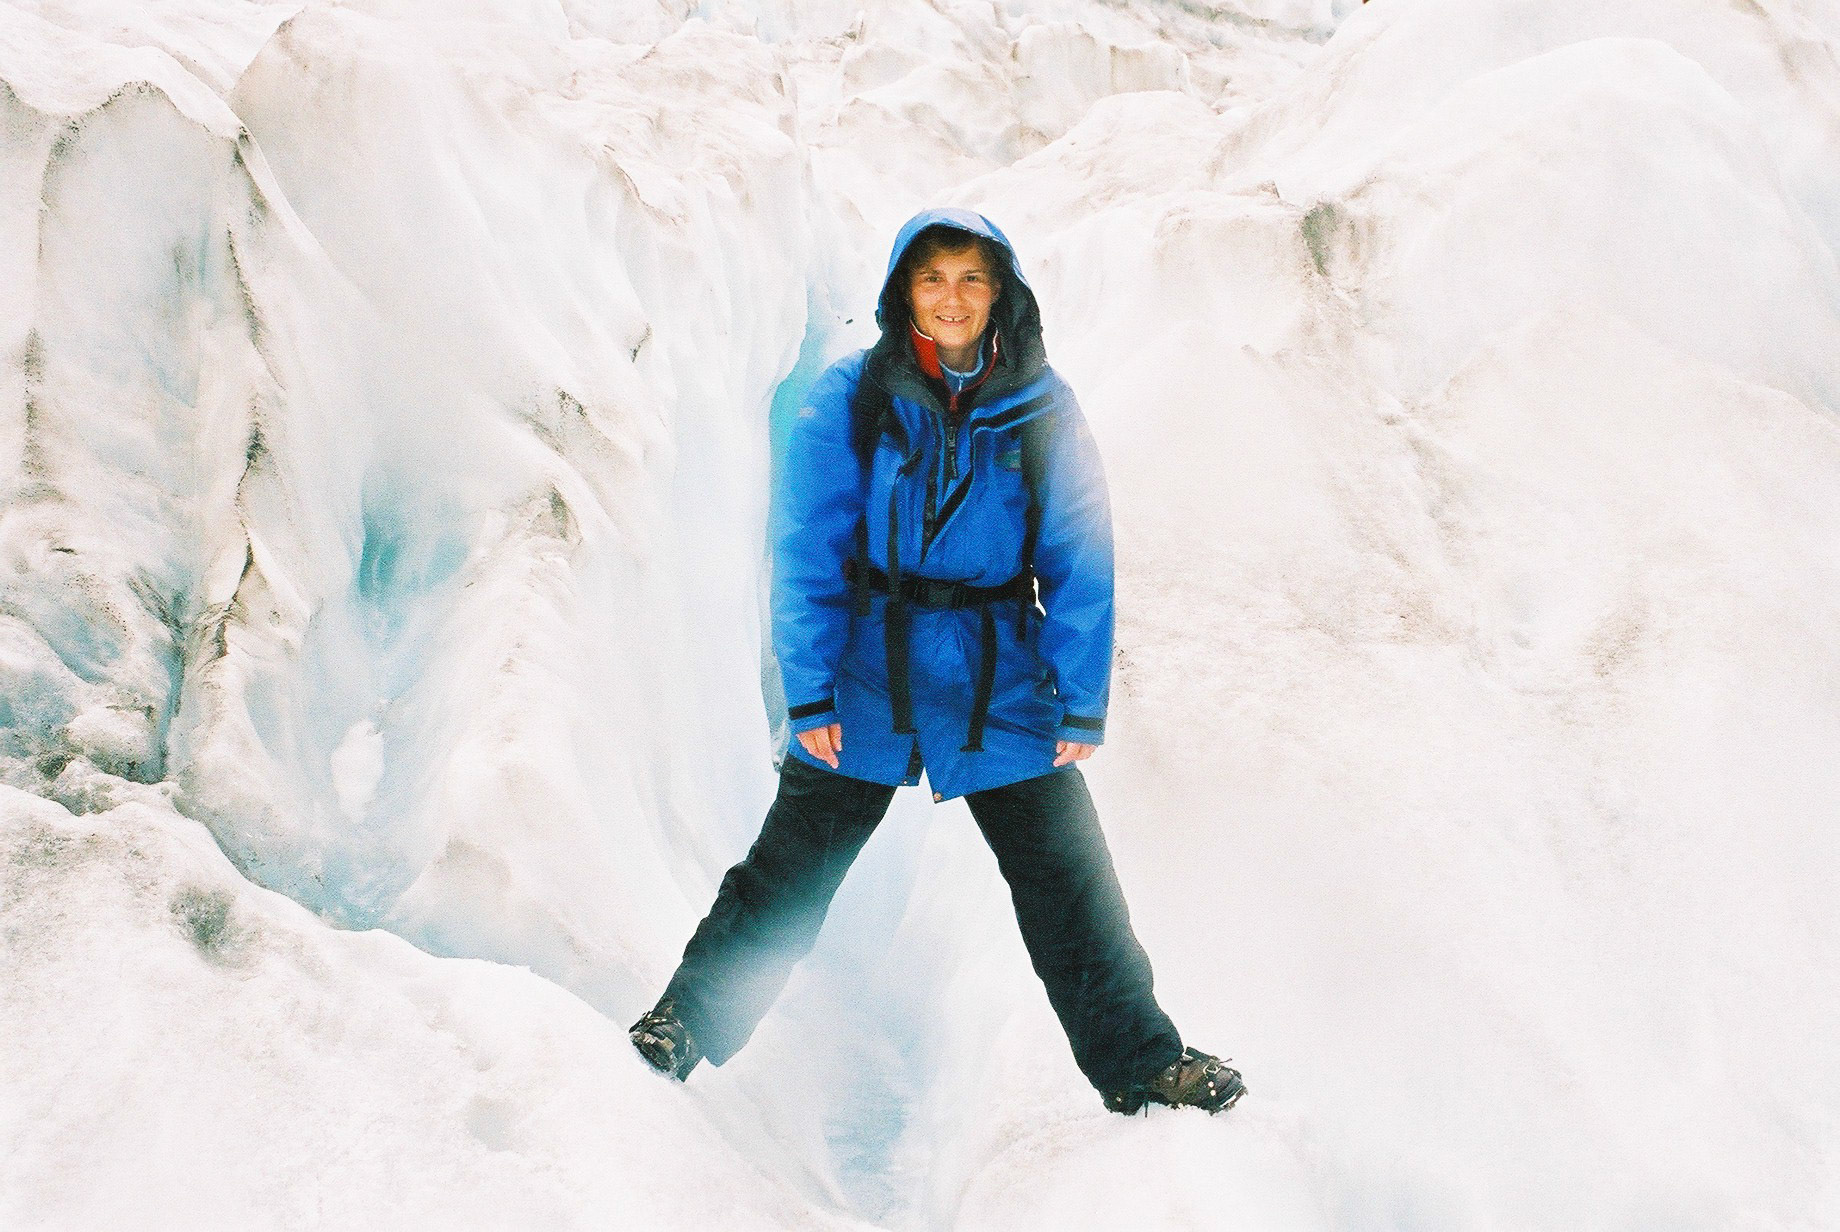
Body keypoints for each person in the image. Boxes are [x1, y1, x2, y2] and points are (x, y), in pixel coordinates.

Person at [630, 208, 1243, 1115]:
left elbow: (1080, 554)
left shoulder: (1043, 403)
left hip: (999, 673)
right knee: (788, 871)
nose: (951, 299)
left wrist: (1079, 700)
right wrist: (809, 696)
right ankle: (684, 1023)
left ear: (1000, 294)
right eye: (932, 279)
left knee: (1070, 882)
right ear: (902, 293)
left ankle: (1144, 1063)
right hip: (870, 671)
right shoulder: (852, 398)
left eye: (970, 279)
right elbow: (805, 553)